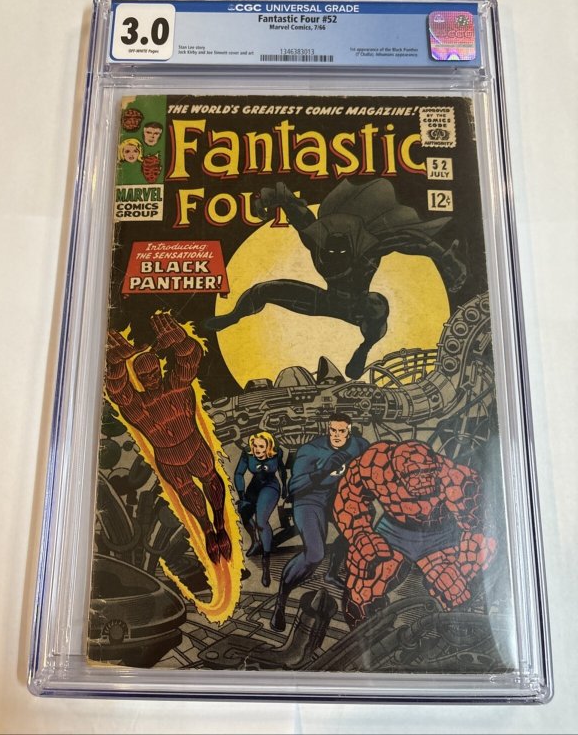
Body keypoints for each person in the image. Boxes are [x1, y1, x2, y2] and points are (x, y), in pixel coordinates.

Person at [205, 179, 466, 380]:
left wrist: (445, 258)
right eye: (330, 251)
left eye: (341, 252)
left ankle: (364, 347)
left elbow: (409, 240)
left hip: (357, 308)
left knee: (378, 306)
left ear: (354, 248)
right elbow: (290, 202)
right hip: (326, 301)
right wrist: (266, 198)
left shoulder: (367, 252)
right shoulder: (314, 239)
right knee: (263, 290)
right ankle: (233, 317)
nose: (334, 256)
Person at [106, 312, 232, 564]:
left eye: (154, 373)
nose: (151, 379)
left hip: (195, 447)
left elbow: (190, 359)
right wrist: (116, 366)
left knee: (210, 479)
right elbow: (118, 392)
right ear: (139, 379)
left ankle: (219, 523)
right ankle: (208, 529)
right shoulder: (139, 407)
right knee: (188, 492)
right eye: (145, 377)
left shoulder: (178, 385)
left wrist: (181, 342)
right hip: (169, 460)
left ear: (160, 369)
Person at [333, 440, 497, 627]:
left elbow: (483, 532)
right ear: (397, 472)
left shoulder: (456, 478)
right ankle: (367, 637)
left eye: (429, 473)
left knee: (453, 589)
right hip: (393, 532)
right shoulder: (374, 464)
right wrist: (360, 534)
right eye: (415, 475)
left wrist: (463, 568)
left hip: (439, 539)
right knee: (362, 591)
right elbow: (349, 497)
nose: (425, 481)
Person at [270, 414, 369, 631]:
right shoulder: (310, 450)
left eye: (341, 431)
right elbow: (294, 487)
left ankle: (332, 574)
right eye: (333, 431)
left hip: (337, 497)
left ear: (349, 431)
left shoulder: (359, 445)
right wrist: (322, 471)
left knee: (359, 528)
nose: (336, 435)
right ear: (328, 429)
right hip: (309, 499)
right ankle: (281, 601)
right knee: (315, 554)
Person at [234, 431, 287, 587]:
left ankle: (266, 564)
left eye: (261, 447)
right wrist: (242, 495)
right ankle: (256, 542)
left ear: (268, 447)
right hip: (254, 487)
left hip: (271, 487)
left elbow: (282, 470)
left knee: (261, 522)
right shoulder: (247, 453)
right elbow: (238, 473)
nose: (257, 449)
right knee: (244, 513)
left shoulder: (276, 452)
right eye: (255, 446)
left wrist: (285, 487)